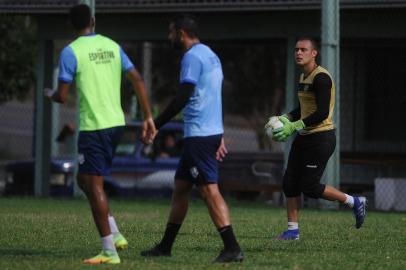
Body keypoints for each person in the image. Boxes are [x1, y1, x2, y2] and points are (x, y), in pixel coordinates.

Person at [44, 4, 156, 264]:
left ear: (71, 26)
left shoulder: (71, 52)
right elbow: (138, 79)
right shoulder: (112, 46)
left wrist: (49, 95)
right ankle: (115, 234)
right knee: (85, 180)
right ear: (93, 21)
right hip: (116, 123)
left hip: (94, 127)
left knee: (93, 186)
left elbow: (62, 96)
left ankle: (109, 251)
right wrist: (148, 116)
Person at [140, 15, 244, 263]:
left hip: (199, 135)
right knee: (181, 189)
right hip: (204, 133)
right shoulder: (210, 54)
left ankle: (232, 248)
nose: (169, 38)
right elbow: (212, 95)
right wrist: (217, 133)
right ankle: (165, 246)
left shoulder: (191, 57)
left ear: (182, 33)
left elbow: (183, 95)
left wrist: (156, 123)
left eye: (171, 32)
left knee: (209, 190)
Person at [265, 38, 367, 240]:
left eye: (304, 49)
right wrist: (287, 117)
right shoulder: (304, 76)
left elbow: (321, 113)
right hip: (304, 138)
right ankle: (292, 231)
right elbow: (304, 108)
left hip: (321, 139)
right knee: (290, 183)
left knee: (309, 187)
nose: (298, 53)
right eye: (296, 49)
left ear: (314, 54)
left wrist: (294, 126)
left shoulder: (321, 78)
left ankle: (354, 202)